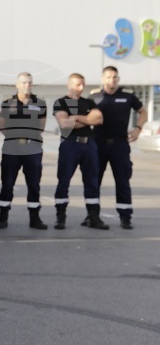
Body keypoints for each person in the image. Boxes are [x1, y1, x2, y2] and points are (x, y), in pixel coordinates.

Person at [90, 66, 147, 229]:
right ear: (102, 79)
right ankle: (92, 215)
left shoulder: (127, 95)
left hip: (120, 145)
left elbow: (143, 112)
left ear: (118, 79)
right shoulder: (94, 96)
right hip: (98, 144)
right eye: (108, 77)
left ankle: (125, 217)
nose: (111, 80)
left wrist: (138, 128)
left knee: (122, 181)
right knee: (94, 181)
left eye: (114, 77)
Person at [52, 73, 106, 230]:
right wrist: (86, 119)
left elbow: (98, 120)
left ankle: (93, 217)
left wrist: (74, 117)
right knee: (64, 181)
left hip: (89, 145)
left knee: (92, 182)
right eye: (77, 85)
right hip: (70, 145)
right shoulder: (61, 102)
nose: (81, 88)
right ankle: (60, 217)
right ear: (69, 85)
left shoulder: (89, 101)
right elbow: (64, 124)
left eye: (83, 84)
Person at [0, 72, 49, 230]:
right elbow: (2, 126)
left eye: (30, 82)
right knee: (7, 184)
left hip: (32, 147)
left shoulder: (40, 103)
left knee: (33, 185)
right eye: (24, 82)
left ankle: (35, 218)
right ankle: (3, 216)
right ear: (17, 84)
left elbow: (41, 126)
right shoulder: (7, 103)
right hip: (11, 147)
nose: (27, 85)